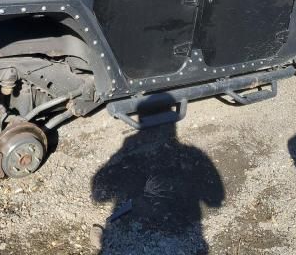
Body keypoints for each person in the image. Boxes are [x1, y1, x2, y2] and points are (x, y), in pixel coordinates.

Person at [91, 96, 224, 254]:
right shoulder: (190, 155)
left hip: (138, 237)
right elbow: (215, 199)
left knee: (122, 234)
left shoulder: (129, 154)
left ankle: (114, 241)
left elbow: (99, 195)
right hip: (178, 241)